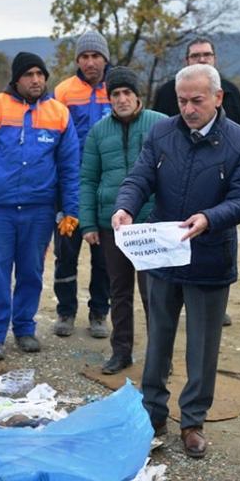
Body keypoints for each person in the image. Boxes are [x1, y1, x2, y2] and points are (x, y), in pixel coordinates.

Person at [112, 64, 240, 459]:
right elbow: (140, 177)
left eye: (197, 101)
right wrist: (125, 207)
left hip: (210, 258)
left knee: (202, 346)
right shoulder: (161, 132)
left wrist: (210, 218)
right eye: (182, 101)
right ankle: (153, 412)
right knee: (158, 337)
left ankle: (193, 420)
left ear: (217, 98)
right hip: (164, 255)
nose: (189, 109)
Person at [0, 52, 80, 361]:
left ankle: (25, 328)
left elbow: (70, 167)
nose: (36, 79)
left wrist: (71, 209)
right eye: (29, 74)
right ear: (16, 79)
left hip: (39, 211)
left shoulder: (59, 114)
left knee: (31, 272)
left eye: (41, 74)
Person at [153, 38, 240, 327]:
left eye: (207, 55)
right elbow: (159, 137)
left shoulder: (230, 91)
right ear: (186, 61)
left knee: (212, 247)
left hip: (215, 184)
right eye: (196, 55)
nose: (202, 59)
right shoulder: (167, 92)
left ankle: (213, 304)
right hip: (175, 178)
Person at [79, 67, 167, 375]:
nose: (121, 99)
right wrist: (88, 223)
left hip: (149, 223)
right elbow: (88, 179)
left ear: (138, 95)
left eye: (127, 92)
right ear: (109, 98)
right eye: (115, 94)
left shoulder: (160, 125)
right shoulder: (99, 131)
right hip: (111, 224)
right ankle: (121, 351)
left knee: (154, 294)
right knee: (119, 291)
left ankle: (160, 357)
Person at [52, 30, 113, 339]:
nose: (90, 62)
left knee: (104, 258)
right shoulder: (63, 92)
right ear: (77, 60)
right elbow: (52, 139)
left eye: (96, 56)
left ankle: (99, 313)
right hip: (70, 190)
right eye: (84, 56)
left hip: (106, 191)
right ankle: (65, 312)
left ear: (105, 58)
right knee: (66, 253)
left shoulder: (118, 90)